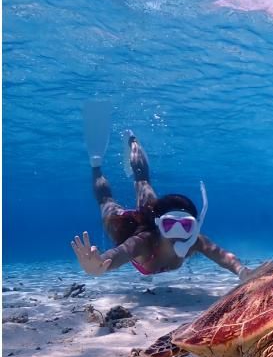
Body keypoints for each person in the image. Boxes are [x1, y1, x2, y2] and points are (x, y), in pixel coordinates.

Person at [71, 101, 254, 280]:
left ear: (195, 225)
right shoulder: (143, 242)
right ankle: (99, 163)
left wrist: (243, 272)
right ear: (159, 224)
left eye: (185, 226)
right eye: (169, 224)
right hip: (129, 224)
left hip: (150, 218)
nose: (177, 233)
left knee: (140, 184)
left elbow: (223, 257)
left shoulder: (195, 241)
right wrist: (97, 266)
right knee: (111, 198)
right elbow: (116, 255)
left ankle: (118, 152)